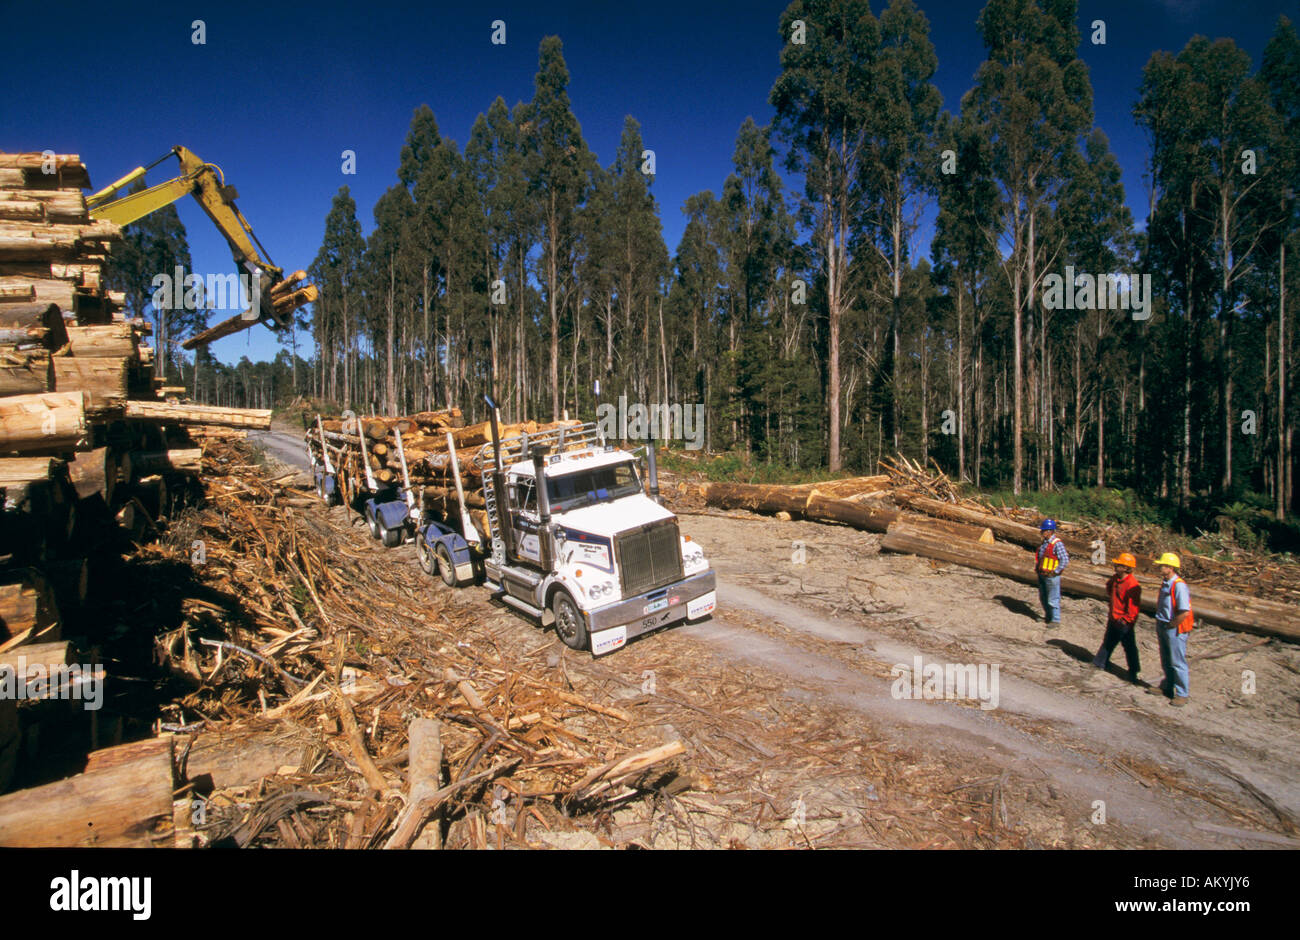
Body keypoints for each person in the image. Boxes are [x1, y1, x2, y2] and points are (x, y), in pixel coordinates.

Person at [1146, 552, 1194, 706]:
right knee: (1166, 659)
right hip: (1163, 624)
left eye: (1163, 565)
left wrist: (1172, 625)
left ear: (1171, 568)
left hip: (1174, 628)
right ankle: (1167, 686)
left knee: (1177, 661)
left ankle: (1182, 694)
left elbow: (1184, 611)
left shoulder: (1179, 585)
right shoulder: (1166, 582)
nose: (1160, 568)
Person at [1092, 552, 1141, 682]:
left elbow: (1133, 608)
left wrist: (1125, 620)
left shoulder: (1132, 585)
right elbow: (1109, 588)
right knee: (1108, 641)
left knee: (1129, 647)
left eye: (1118, 564)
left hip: (1124, 622)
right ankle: (1100, 662)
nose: (1115, 566)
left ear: (1126, 568)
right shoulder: (1115, 578)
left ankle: (1133, 672)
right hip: (1114, 617)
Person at [1035, 519, 1069, 626]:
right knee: (1043, 597)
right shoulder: (1045, 543)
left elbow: (1064, 559)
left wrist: (1056, 571)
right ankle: (1048, 616)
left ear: (1049, 531)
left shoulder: (1057, 544)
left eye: (1043, 530)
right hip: (1043, 574)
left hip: (1052, 576)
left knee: (1053, 598)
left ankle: (1055, 620)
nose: (1041, 532)